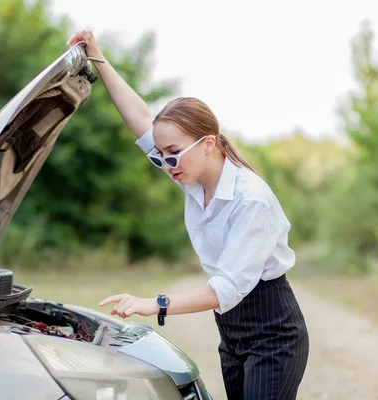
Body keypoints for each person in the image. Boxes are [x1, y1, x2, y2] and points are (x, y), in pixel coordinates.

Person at [67, 31, 309, 400]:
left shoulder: (250, 200)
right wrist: (97, 58)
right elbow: (140, 117)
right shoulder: (192, 179)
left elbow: (227, 288)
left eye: (173, 153)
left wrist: (156, 304)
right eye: (162, 154)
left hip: (273, 334)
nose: (166, 163)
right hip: (231, 333)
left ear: (208, 143)